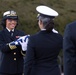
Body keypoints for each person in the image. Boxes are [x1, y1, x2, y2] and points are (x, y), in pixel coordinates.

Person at [23, 5, 63, 75]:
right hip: (54, 72)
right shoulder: (59, 37)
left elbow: (28, 62)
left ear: (40, 22)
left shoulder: (33, 39)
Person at [0, 10, 26, 75]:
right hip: (6, 69)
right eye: (10, 20)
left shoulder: (21, 33)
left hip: (18, 68)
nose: (13, 22)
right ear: (5, 21)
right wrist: (15, 43)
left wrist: (25, 48)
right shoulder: (1, 34)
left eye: (15, 20)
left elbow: (24, 53)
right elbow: (3, 48)